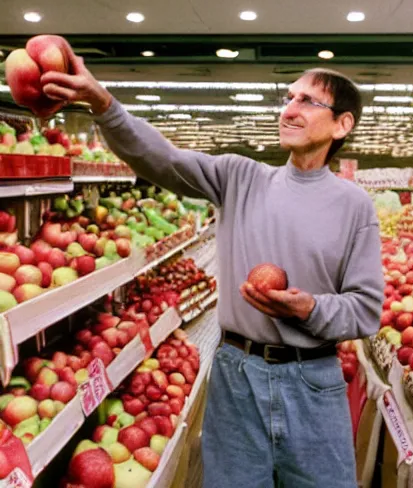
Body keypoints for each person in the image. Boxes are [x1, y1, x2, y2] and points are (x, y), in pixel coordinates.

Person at [41, 51, 384, 487]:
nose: (290, 109)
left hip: (313, 381)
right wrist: (103, 104)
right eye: (288, 97)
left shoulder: (354, 206)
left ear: (342, 124)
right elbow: (162, 159)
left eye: (307, 101)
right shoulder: (240, 178)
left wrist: (309, 308)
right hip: (237, 375)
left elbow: (366, 310)